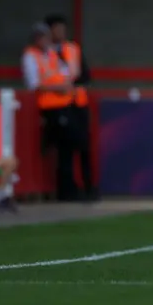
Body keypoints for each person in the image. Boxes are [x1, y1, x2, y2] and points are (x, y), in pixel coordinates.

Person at [21, 22, 77, 201]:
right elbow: (33, 84)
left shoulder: (53, 53)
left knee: (66, 148)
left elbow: (66, 72)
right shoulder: (30, 56)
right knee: (54, 147)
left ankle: (67, 189)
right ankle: (61, 191)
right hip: (46, 108)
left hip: (63, 104)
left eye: (45, 36)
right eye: (40, 36)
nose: (44, 40)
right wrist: (57, 87)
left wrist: (64, 85)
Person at [45, 14, 97, 201]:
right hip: (58, 106)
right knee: (65, 150)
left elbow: (86, 75)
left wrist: (72, 83)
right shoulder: (45, 52)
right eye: (56, 28)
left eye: (62, 28)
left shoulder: (73, 49)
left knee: (84, 147)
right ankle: (67, 191)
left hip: (78, 103)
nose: (60, 32)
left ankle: (89, 187)